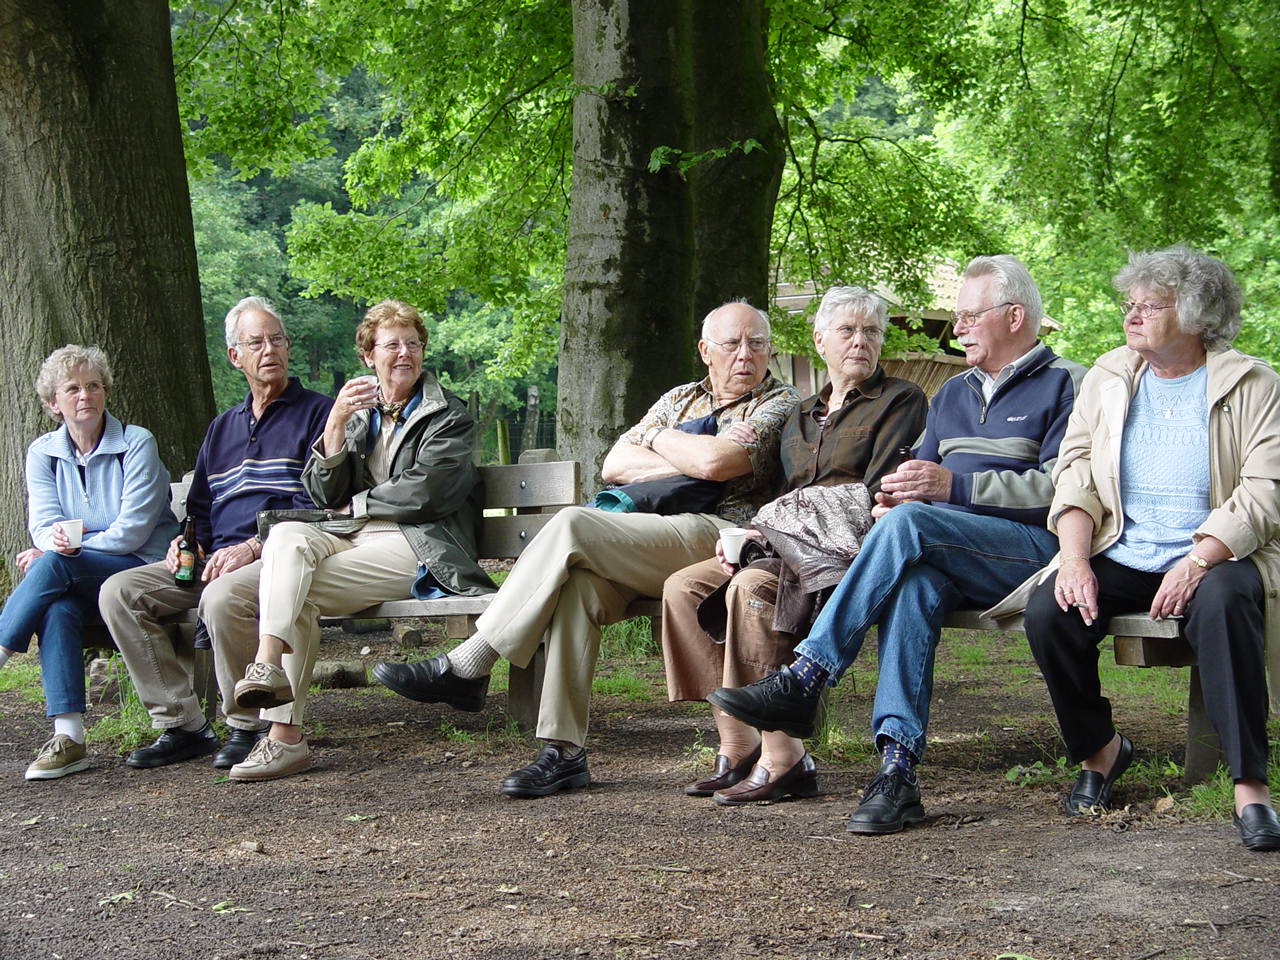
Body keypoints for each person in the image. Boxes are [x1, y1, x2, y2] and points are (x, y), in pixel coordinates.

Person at [710, 255, 1084, 833]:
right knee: (912, 581)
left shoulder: (1068, 383)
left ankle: (808, 677)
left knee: (910, 530)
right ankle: (897, 770)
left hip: (1034, 552)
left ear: (1014, 316)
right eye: (956, 316)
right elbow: (922, 480)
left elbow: (1066, 488)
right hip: (947, 549)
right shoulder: (955, 392)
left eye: (968, 316)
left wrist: (951, 488)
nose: (957, 328)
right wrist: (898, 501)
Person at [373, 300, 801, 797]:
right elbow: (616, 463)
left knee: (574, 522)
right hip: (644, 535)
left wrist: (661, 443)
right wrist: (679, 443)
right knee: (577, 587)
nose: (745, 355)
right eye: (731, 344)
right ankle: (563, 752)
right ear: (706, 350)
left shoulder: (780, 400)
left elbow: (717, 466)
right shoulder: (679, 398)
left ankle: (470, 662)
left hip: (721, 538)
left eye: (757, 343)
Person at [999, 246, 1280, 852]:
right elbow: (1074, 473)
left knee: (1226, 604)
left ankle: (1249, 785)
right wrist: (1073, 558)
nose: (1132, 315)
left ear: (1199, 314)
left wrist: (1201, 557)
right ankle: (1099, 752)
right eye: (1130, 303)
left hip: (1220, 555)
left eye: (1151, 305)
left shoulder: (1254, 384)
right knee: (1050, 610)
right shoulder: (1108, 376)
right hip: (1125, 548)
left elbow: (1265, 491)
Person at [661, 287, 927, 805]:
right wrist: (752, 535)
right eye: (847, 330)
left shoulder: (902, 399)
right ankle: (737, 746)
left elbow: (873, 496)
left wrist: (774, 524)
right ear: (819, 339)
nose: (860, 341)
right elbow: (783, 493)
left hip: (843, 552)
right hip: (782, 544)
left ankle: (785, 760)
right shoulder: (799, 414)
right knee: (684, 588)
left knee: (752, 589)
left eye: (871, 331)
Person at [227, 298, 492, 782]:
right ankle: (267, 664)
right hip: (353, 536)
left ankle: (283, 739)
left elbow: (432, 489)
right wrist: (332, 425)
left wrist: (361, 505)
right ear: (369, 355)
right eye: (391, 345)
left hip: (418, 545)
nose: (404, 353)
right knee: (287, 535)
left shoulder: (448, 414)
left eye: (413, 343)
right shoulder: (359, 413)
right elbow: (324, 492)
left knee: (295, 593)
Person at [100, 297, 333, 771]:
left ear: (288, 347)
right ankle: (183, 724)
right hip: (215, 559)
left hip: (280, 557)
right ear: (235, 356)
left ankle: (248, 726)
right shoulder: (222, 428)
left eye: (276, 340)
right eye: (256, 342)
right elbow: (201, 507)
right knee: (120, 591)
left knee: (223, 597)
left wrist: (253, 546)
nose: (269, 350)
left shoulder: (318, 414)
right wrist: (189, 540)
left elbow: (322, 504)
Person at [0, 345, 176, 780]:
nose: (85, 396)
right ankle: (70, 737)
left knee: (56, 568)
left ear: (105, 392)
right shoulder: (43, 452)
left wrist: (67, 548)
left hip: (142, 568)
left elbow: (133, 530)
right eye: (73, 388)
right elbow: (42, 524)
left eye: (94, 386)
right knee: (56, 605)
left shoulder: (135, 442)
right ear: (52, 403)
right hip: (82, 574)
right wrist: (55, 544)